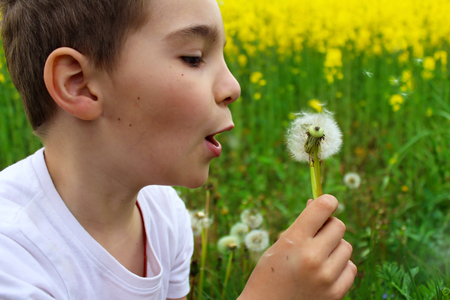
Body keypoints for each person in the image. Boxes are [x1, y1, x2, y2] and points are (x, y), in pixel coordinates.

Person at [0, 0, 357, 299]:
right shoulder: (13, 257)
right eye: (193, 57)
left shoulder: (164, 215)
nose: (233, 86)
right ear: (79, 85)